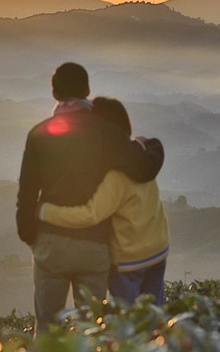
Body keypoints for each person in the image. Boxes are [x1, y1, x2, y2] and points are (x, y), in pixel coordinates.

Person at [17, 63, 164, 333]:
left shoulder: (38, 134)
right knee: (92, 330)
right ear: (87, 90)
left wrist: (31, 234)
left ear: (54, 92)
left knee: (48, 326)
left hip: (52, 243)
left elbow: (27, 192)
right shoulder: (107, 133)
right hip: (94, 244)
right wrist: (153, 146)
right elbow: (142, 168)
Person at [38, 96, 170, 306]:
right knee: (155, 313)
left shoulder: (115, 176)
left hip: (130, 260)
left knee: (125, 318)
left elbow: (90, 214)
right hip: (158, 250)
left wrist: (46, 211)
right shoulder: (143, 155)